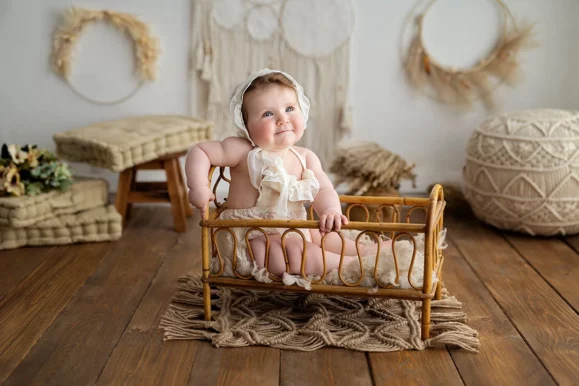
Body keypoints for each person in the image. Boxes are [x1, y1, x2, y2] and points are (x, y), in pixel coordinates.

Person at [186, 69, 383, 278]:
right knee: (295, 247)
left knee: (324, 236)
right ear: (246, 126)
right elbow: (201, 151)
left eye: (289, 108)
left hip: (293, 231)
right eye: (268, 114)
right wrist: (198, 187)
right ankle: (350, 265)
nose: (282, 119)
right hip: (250, 239)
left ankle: (368, 252)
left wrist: (331, 210)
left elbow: (324, 189)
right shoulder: (242, 150)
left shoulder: (305, 157)